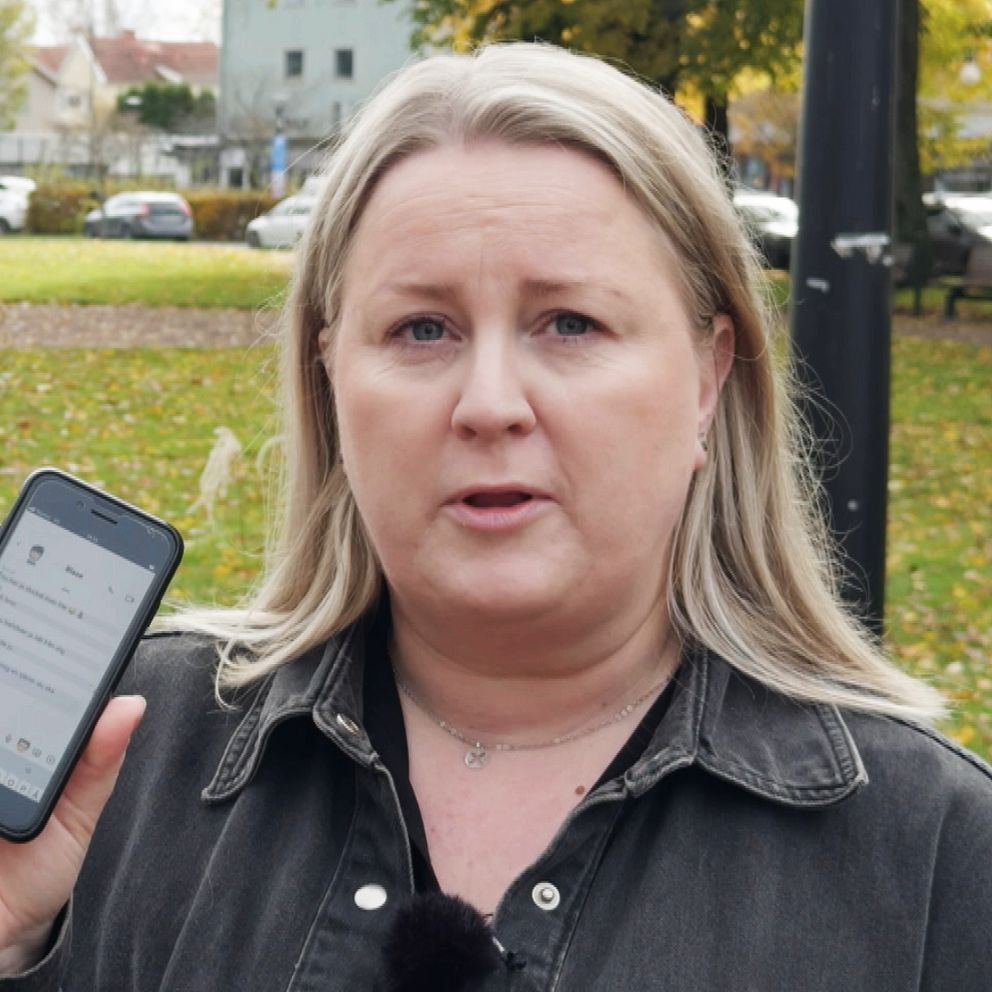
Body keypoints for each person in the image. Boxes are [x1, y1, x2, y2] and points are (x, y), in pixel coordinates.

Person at [1, 43, 990, 991]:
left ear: (706, 379)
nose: (487, 404)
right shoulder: (109, 759)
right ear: (331, 379)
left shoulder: (935, 861)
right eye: (421, 328)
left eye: (570, 323)